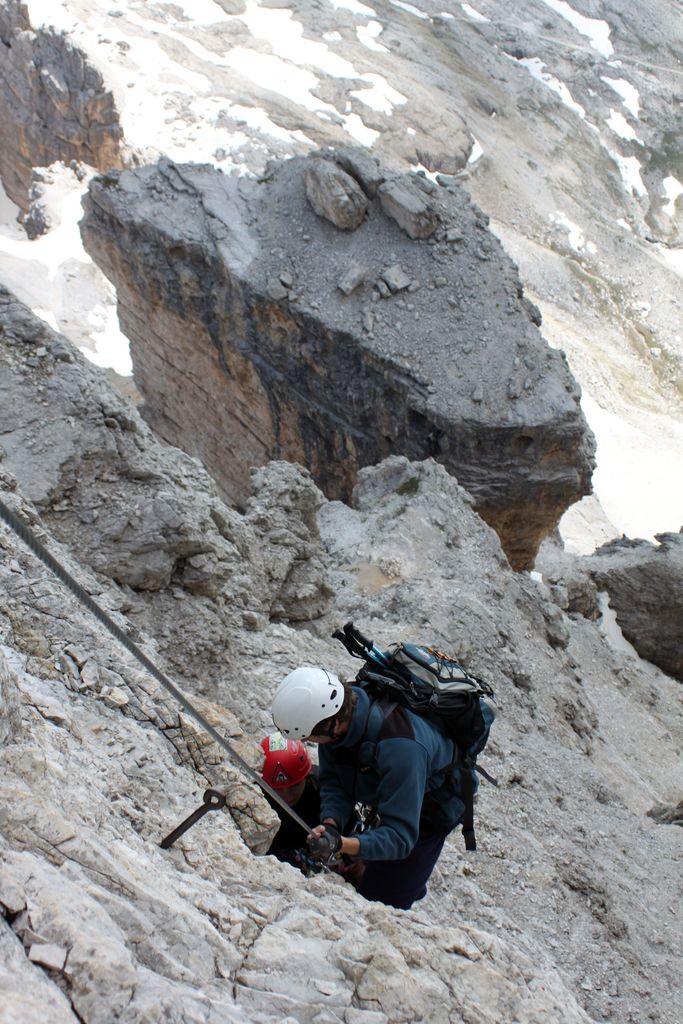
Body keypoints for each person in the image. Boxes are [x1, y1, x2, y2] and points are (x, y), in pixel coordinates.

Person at [270, 665, 470, 910]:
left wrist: (342, 844)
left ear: (331, 725)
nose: (308, 743)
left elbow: (400, 838)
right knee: (372, 859)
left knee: (379, 900)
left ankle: (407, 885)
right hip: (391, 784)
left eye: (308, 737)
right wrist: (331, 825)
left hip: (432, 810)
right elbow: (335, 782)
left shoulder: (402, 748)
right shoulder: (341, 715)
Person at [260, 732, 320, 869]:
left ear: (307, 776)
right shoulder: (259, 799)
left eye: (295, 785)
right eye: (278, 790)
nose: (287, 796)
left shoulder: (324, 789)